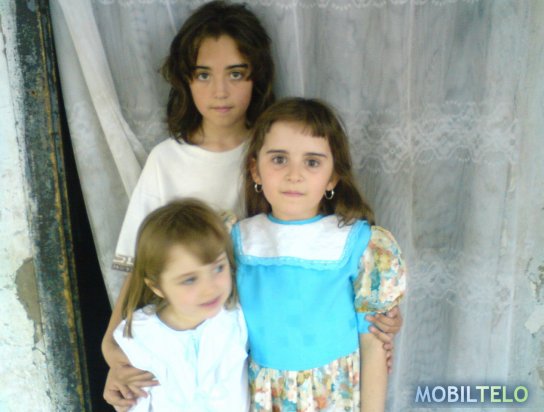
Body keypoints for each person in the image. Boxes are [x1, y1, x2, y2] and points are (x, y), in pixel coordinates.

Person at [103, 1, 402, 408]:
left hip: (269, 352)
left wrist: (378, 319)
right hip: (217, 353)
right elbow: (143, 270)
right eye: (203, 74)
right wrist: (115, 355)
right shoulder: (167, 160)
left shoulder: (281, 143)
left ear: (256, 76)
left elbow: (329, 260)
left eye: (236, 73)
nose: (220, 91)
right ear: (185, 80)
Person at [232, 97, 407, 411]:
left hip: (334, 396)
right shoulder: (237, 241)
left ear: (332, 177)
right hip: (262, 396)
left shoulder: (357, 243)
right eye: (279, 159)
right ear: (255, 170)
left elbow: (373, 342)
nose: (294, 174)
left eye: (312, 162)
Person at [113, 199, 248, 411]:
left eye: (218, 268)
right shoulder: (140, 335)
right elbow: (132, 402)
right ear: (157, 286)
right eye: (190, 280)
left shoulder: (236, 317)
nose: (210, 288)